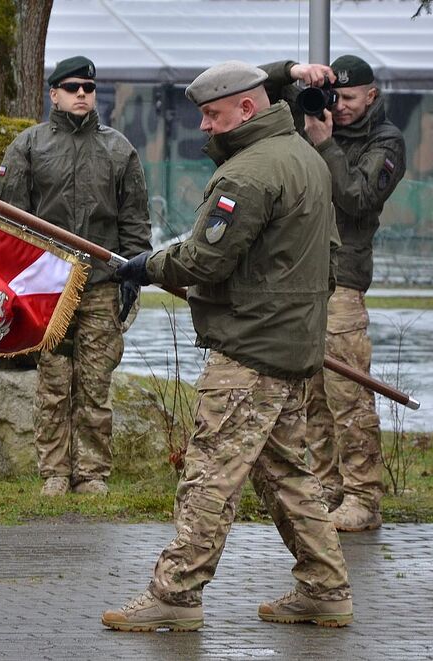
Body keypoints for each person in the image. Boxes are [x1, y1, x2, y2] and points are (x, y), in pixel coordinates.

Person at [101, 61, 352, 632]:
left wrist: (147, 265)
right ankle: (325, 586)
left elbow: (204, 259)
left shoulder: (247, 175)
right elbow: (332, 261)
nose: (206, 127)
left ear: (247, 108)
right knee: (286, 473)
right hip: (290, 345)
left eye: (213, 115)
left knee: (210, 476)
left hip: (249, 349)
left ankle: (176, 593)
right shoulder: (307, 161)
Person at [0, 56, 151, 497]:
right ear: (54, 94)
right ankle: (55, 472)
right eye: (72, 87)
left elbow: (135, 222)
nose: (82, 94)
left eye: (88, 87)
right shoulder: (28, 147)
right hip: (47, 288)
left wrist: (132, 277)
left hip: (101, 285)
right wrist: (12, 283)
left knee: (96, 383)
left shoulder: (119, 149)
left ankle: (93, 471)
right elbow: (7, 221)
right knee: (53, 384)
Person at [262, 55, 406, 531]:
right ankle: (327, 488)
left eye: (348, 98)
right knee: (312, 395)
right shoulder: (310, 116)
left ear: (371, 96)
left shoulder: (386, 142)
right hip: (300, 277)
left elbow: (358, 197)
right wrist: (294, 72)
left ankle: (364, 497)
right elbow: (254, 89)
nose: (338, 107)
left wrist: (325, 145)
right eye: (334, 97)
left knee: (348, 394)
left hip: (342, 280)